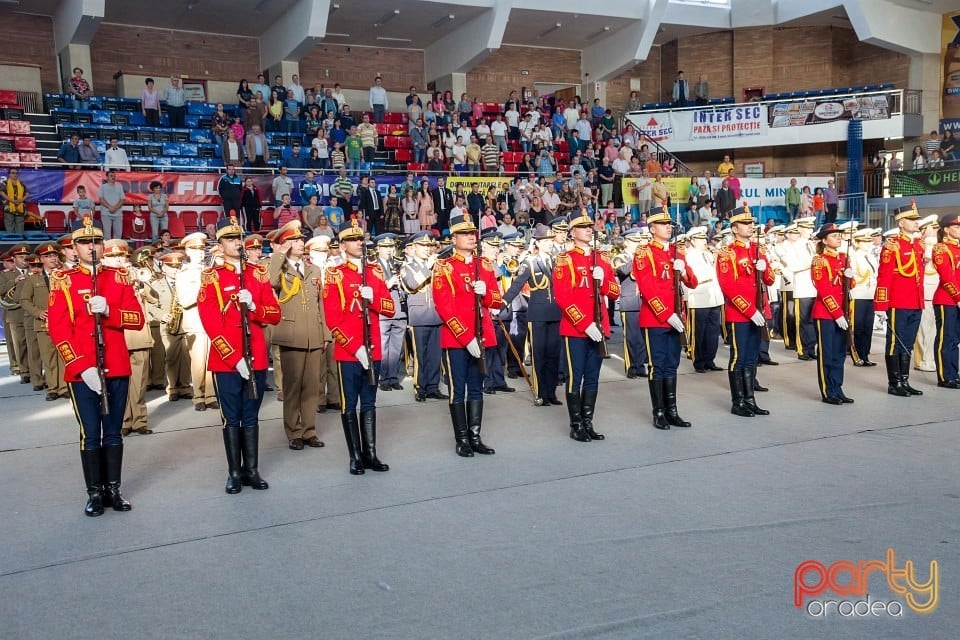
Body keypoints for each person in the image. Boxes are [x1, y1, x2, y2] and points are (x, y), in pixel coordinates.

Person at [47, 215, 145, 516]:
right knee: (91, 433)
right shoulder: (64, 281)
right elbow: (58, 329)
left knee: (114, 431)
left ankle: (113, 489)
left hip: (115, 365)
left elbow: (137, 318)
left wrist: (111, 311)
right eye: (85, 243)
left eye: (97, 242)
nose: (92, 247)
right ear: (74, 248)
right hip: (83, 372)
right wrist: (81, 365)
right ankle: (93, 492)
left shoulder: (118, 277)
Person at [198, 216, 280, 493]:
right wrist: (233, 357)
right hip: (227, 361)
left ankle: (252, 470)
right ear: (220, 244)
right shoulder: (212, 276)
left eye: (238, 238)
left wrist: (254, 305)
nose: (236, 243)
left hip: (255, 354)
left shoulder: (257, 273)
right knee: (231, 417)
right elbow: (210, 321)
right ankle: (234, 472)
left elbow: (274, 314)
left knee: (252, 416)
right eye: (230, 239)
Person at [322, 217, 396, 474]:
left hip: (373, 347)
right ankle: (355, 456)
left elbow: (390, 307)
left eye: (360, 239)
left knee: (369, 403)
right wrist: (354, 347)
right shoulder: (334, 274)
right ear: (342, 245)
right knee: (349, 403)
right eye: (352, 240)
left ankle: (371, 454)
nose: (358, 243)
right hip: (349, 351)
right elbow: (332, 319)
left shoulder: (374, 271)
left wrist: (374, 297)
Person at [432, 211, 502, 456]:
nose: (471, 237)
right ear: (453, 239)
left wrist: (485, 293)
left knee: (476, 388)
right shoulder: (444, 267)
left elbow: (497, 300)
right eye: (464, 234)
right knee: (457, 389)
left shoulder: (483, 264)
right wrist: (465, 337)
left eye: (472, 233)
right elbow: (444, 307)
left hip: (481, 335)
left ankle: (475, 436)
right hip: (457, 339)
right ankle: (461, 439)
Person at [552, 209, 620, 442]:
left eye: (590, 226)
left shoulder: (601, 258)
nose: (589, 230)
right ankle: (576, 424)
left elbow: (615, 292)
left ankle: (588, 422)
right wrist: (584, 323)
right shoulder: (565, 259)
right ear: (572, 232)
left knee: (592, 377)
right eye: (583, 227)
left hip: (599, 327)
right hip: (575, 329)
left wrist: (602, 283)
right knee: (575, 377)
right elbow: (563, 297)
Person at [633, 207, 697, 429]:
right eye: (663, 224)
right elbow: (648, 288)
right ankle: (658, 412)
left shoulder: (675, 252)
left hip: (676, 318)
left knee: (672, 365)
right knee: (657, 366)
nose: (668, 226)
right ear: (652, 228)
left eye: (669, 223)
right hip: (655, 319)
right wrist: (666, 314)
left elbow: (693, 282)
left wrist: (684, 271)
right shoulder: (644, 253)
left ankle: (672, 411)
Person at [269, 220, 329, 450]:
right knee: (293, 386)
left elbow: (319, 303)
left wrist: (325, 333)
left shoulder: (313, 269)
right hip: (291, 333)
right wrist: (279, 256)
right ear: (285, 243)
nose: (300, 243)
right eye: (294, 240)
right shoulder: (279, 268)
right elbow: (271, 283)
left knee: (312, 386)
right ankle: (294, 431)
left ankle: (309, 430)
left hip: (313, 333)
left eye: (301, 239)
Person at [716, 204, 775, 417]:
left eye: (751, 223)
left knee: (751, 358)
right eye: (745, 223)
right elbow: (728, 286)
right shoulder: (727, 253)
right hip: (740, 313)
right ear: (734, 228)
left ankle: (750, 399)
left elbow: (770, 279)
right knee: (738, 358)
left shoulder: (758, 249)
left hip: (758, 312)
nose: (750, 227)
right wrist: (749, 310)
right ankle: (738, 401)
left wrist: (764, 268)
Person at [875, 203, 926, 397]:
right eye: (912, 220)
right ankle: (894, 383)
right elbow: (884, 276)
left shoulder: (917, 245)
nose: (916, 223)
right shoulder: (892, 246)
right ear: (901, 222)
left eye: (916, 219)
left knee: (908, 342)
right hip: (898, 302)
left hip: (915, 302)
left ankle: (904, 380)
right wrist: (881, 305)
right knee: (895, 343)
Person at [809, 223, 855, 405]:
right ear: (824, 240)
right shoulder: (819, 260)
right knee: (827, 354)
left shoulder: (844, 258)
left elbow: (850, 286)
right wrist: (837, 314)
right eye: (834, 235)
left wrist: (849, 277)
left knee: (839, 353)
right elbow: (824, 290)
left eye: (839, 235)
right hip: (827, 314)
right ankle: (828, 391)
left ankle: (838, 388)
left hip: (843, 312)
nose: (839, 238)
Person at [401, 231, 448, 402]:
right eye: (423, 246)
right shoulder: (407, 267)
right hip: (419, 316)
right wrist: (427, 266)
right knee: (421, 355)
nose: (427, 249)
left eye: (428, 246)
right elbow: (412, 284)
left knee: (435, 355)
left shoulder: (435, 264)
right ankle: (419, 387)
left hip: (436, 314)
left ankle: (433, 387)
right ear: (413, 248)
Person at [685, 226, 725, 372]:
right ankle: (699, 361)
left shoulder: (707, 254)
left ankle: (710, 359)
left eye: (704, 238)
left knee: (713, 331)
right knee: (699, 331)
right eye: (701, 238)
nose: (704, 240)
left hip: (713, 294)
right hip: (699, 294)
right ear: (693, 241)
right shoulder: (689, 255)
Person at [613, 227, 649, 379]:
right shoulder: (620, 257)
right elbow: (622, 270)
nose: (638, 244)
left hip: (643, 300)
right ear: (627, 243)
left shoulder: (641, 257)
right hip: (629, 301)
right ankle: (631, 367)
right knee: (632, 338)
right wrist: (636, 257)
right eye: (635, 242)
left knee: (642, 338)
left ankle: (640, 366)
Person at [374, 234, 408, 392]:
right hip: (384, 311)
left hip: (400, 310)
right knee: (384, 347)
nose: (389, 250)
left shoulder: (398, 264)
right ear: (378, 249)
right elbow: (373, 290)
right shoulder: (374, 266)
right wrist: (388, 284)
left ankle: (393, 377)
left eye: (391, 247)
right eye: (385, 247)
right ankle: (383, 378)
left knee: (396, 348)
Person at [932, 213, 960, 388]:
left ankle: (954, 373)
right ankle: (945, 376)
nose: (959, 230)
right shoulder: (941, 248)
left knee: (955, 339)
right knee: (946, 338)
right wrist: (958, 297)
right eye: (956, 227)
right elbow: (947, 276)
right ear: (946, 229)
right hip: (947, 299)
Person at [98, 170, 125, 241]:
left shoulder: (119, 188)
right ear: (106, 177)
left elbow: (122, 200)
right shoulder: (102, 187)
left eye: (114, 176)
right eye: (111, 176)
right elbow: (101, 199)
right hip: (106, 213)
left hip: (118, 214)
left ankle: (117, 251)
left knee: (118, 234)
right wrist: (110, 207)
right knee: (107, 235)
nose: (113, 177)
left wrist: (115, 208)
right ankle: (107, 250)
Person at [1, 167, 29, 234]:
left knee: (20, 226)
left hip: (20, 207)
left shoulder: (22, 184)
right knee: (9, 225)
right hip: (9, 207)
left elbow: (27, 194)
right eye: (13, 173)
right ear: (9, 174)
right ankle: (10, 241)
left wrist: (21, 200)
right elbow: (1, 192)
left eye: (16, 173)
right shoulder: (5, 183)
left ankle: (19, 242)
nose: (15, 175)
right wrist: (11, 200)